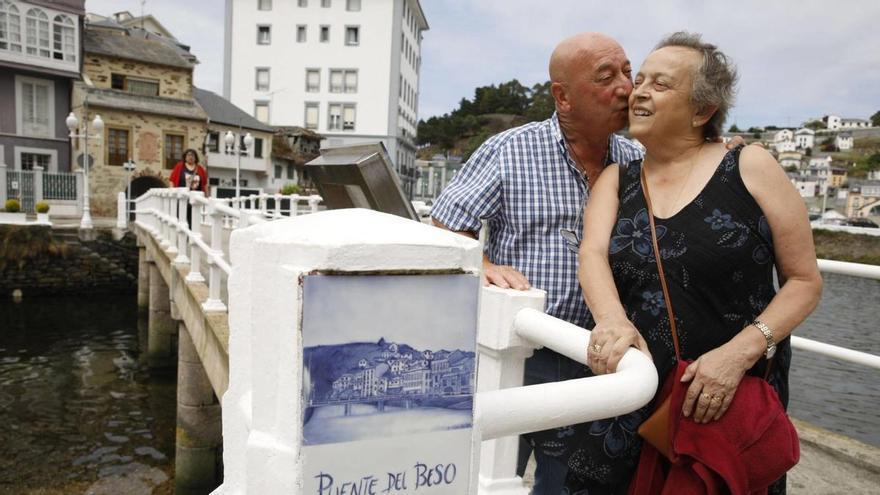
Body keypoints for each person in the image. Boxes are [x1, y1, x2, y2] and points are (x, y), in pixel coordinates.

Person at [572, 32, 823, 494]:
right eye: (639, 79)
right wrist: (611, 320)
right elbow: (591, 254)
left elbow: (804, 281)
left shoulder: (750, 166)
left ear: (702, 110)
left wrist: (738, 353)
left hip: (721, 399)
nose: (637, 91)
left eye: (660, 84)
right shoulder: (616, 178)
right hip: (634, 394)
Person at [431, 32, 643, 495]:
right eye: (607, 77)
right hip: (518, 352)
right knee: (480, 472)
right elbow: (445, 227)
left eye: (628, 71)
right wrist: (480, 263)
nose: (626, 87)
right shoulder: (510, 150)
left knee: (568, 483)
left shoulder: (637, 159)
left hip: (595, 355)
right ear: (562, 96)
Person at [169, 148, 208, 227]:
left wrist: (206, 196)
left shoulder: (200, 169)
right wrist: (172, 192)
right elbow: (171, 180)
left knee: (193, 220)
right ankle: (181, 236)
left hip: (195, 199)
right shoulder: (179, 167)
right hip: (182, 197)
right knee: (181, 218)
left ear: (195, 158)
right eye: (189, 155)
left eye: (192, 155)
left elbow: (205, 184)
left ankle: (190, 237)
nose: (191, 157)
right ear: (185, 157)